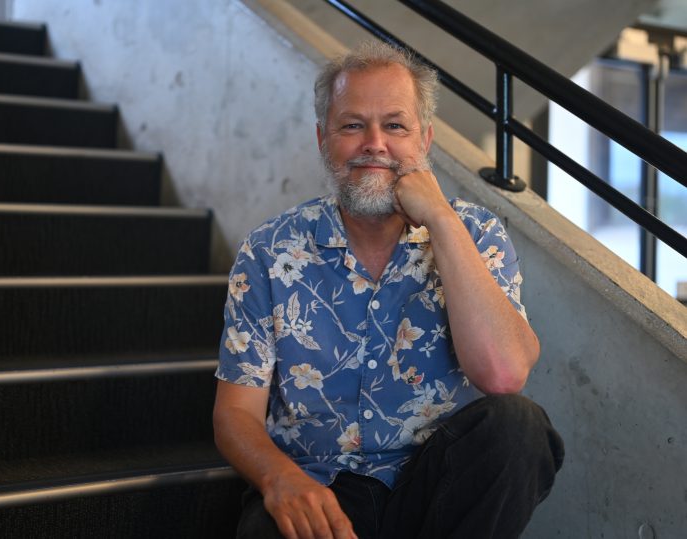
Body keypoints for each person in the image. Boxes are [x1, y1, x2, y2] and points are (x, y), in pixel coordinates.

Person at [213, 40, 564, 539]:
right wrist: (279, 479)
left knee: (520, 427)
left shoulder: (477, 234)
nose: (374, 143)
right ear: (322, 139)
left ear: (425, 140)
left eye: (394, 125)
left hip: (437, 492)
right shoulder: (270, 250)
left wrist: (441, 220)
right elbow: (235, 413)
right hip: (317, 486)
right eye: (352, 125)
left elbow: (504, 374)